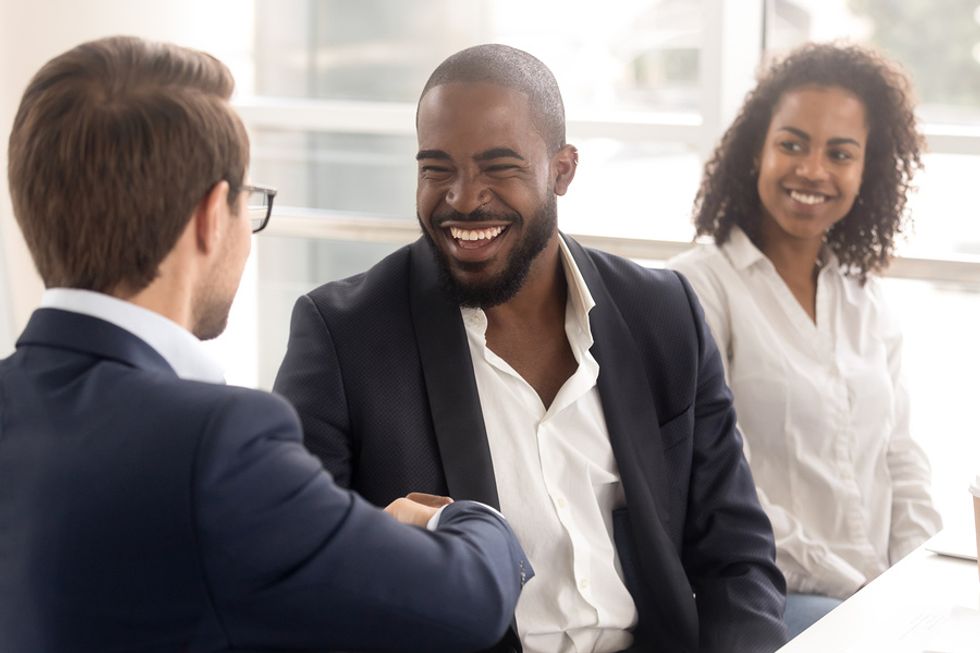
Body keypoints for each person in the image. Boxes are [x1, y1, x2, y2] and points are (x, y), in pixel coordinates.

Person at [0, 35, 534, 652]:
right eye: (247, 204)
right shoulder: (216, 443)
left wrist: (332, 536)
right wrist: (467, 519)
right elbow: (463, 604)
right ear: (208, 219)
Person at [274, 43, 787, 653]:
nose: (463, 199)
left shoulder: (663, 312)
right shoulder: (344, 336)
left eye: (499, 167)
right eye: (436, 168)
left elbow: (737, 557)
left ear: (562, 171)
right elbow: (293, 577)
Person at [668, 42, 943, 638]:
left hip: (875, 590)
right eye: (792, 144)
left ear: (866, 169)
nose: (813, 170)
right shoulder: (698, 288)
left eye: (839, 153)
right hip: (767, 592)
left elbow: (902, 460)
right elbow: (714, 485)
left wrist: (921, 575)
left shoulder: (863, 296)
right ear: (755, 152)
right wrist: (857, 585)